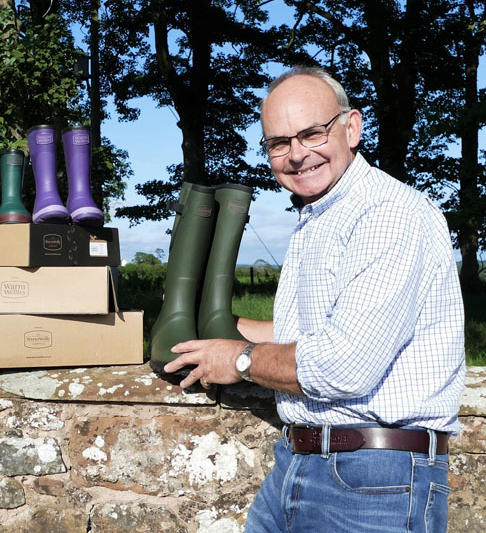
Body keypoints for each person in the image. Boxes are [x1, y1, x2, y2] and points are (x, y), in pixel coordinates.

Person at [164, 66, 465, 533]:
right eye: (279, 142)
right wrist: (212, 325)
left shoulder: (387, 212)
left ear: (352, 127)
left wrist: (240, 361)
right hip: (297, 465)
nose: (297, 155)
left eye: (312, 133)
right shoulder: (321, 216)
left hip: (374, 482)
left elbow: (342, 365)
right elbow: (313, 335)